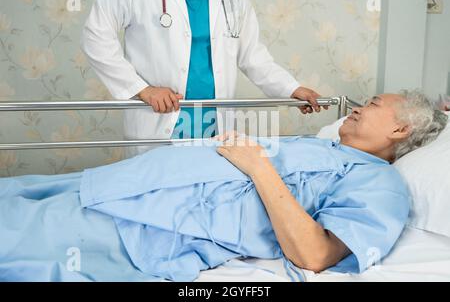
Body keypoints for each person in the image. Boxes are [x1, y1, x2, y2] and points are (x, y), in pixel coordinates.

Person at [0, 91, 447, 282]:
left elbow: (314, 255)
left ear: (400, 128)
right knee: (16, 196)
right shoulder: (323, 148)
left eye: (372, 105)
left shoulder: (380, 185)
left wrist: (257, 165)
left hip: (146, 223)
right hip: (125, 184)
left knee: (21, 235)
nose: (358, 108)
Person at [81, 0, 325, 157]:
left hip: (215, 124)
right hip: (159, 121)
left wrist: (291, 88)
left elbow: (252, 55)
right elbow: (96, 36)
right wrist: (141, 89)